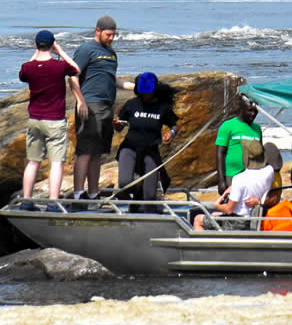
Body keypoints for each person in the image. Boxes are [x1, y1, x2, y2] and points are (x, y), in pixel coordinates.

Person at [18, 30, 81, 203]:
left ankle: (27, 200)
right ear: (52, 45)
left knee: (33, 162)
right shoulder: (59, 66)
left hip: (35, 120)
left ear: (36, 45)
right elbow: (76, 69)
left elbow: (23, 72)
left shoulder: (28, 68)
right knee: (56, 163)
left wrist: (35, 53)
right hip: (54, 120)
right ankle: (53, 202)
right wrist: (60, 51)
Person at [70, 15, 121, 199]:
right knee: (85, 150)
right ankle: (78, 193)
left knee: (98, 152)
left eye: (114, 35)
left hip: (107, 106)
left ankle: (93, 193)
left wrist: (135, 86)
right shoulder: (86, 49)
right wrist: (80, 101)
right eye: (108, 34)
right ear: (98, 31)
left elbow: (111, 78)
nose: (111, 38)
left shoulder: (111, 53)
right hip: (90, 104)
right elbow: (73, 76)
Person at [112, 71, 176, 202]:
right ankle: (136, 192)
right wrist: (117, 124)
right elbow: (120, 127)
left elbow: (175, 124)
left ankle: (146, 204)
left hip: (150, 150)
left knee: (149, 196)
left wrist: (172, 133)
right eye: (142, 92)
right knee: (124, 183)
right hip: (129, 148)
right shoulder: (131, 104)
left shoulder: (163, 107)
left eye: (148, 92)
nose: (145, 95)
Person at [194, 139, 280, 230]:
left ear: (246, 158)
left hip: (239, 223)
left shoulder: (239, 179)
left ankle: (206, 244)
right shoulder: (269, 171)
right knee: (214, 215)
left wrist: (217, 205)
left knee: (198, 219)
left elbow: (229, 209)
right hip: (256, 218)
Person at [213, 97, 263, 194]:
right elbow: (220, 153)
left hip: (252, 177)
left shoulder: (257, 129)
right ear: (242, 107)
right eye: (250, 110)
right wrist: (221, 180)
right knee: (232, 207)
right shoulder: (227, 126)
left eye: (256, 111)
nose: (253, 114)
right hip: (232, 176)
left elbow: (261, 153)